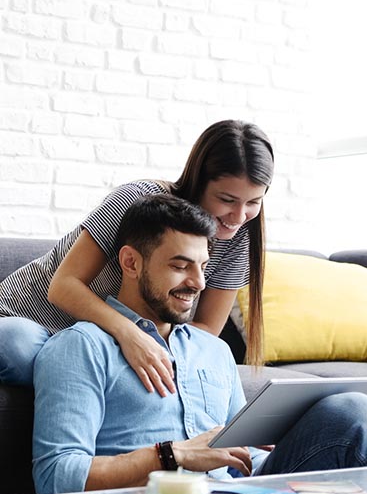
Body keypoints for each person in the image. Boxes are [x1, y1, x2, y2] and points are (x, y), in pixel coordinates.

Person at [32, 194, 367, 494]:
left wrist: (262, 449)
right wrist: (172, 456)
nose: (198, 283)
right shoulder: (80, 348)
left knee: (353, 410)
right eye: (180, 266)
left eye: (202, 267)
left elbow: (240, 459)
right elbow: (56, 476)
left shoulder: (213, 350)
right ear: (131, 262)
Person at [0, 119, 273, 391]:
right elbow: (62, 287)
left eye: (253, 202)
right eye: (227, 200)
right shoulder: (137, 200)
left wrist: (154, 351)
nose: (238, 216)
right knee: (17, 345)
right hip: (35, 322)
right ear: (199, 181)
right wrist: (130, 335)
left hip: (106, 346)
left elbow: (206, 330)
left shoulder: (239, 238)